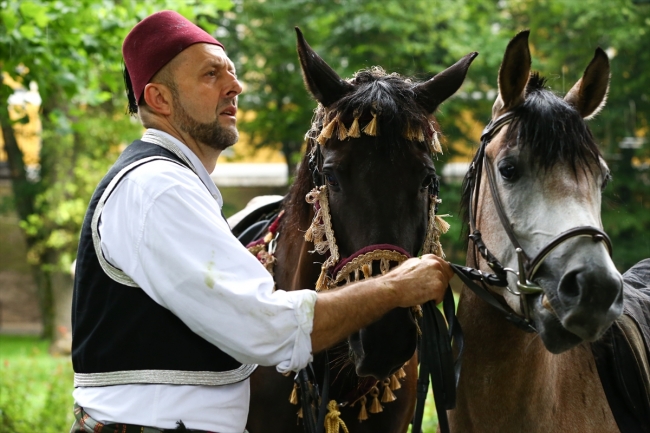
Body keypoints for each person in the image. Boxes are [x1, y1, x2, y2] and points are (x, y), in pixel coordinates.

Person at [70, 10, 453, 433]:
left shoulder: (170, 184)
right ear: (159, 99)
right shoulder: (158, 188)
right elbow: (265, 328)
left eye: (232, 73)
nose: (235, 86)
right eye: (211, 74)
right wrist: (393, 288)